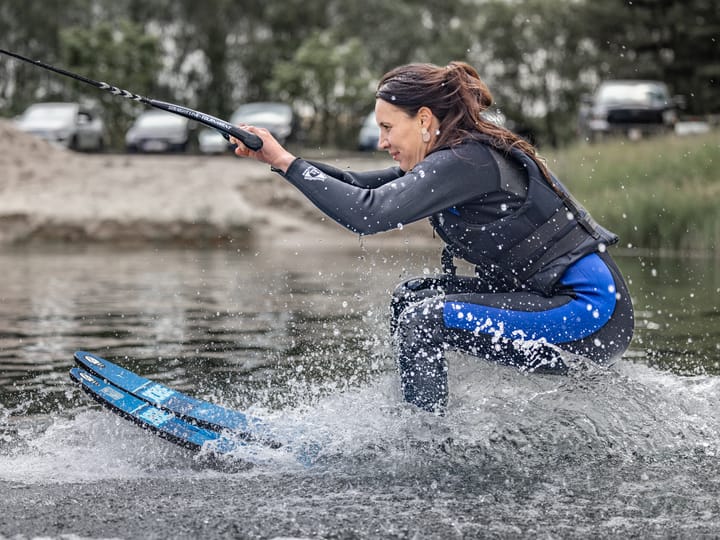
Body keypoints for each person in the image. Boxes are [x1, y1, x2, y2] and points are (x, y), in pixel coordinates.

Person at [230, 61, 634, 414]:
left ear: (424, 120)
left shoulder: (466, 161)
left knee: (423, 319)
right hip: (551, 301)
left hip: (590, 315)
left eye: (388, 128)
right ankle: (422, 411)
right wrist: (277, 158)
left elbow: (367, 214)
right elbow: (359, 186)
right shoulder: (450, 160)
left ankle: (426, 440)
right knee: (413, 297)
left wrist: (286, 162)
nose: (383, 141)